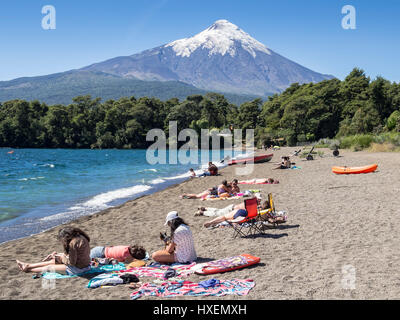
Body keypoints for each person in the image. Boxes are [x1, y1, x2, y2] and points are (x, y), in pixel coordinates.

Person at [16, 227, 91, 276]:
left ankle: (28, 270)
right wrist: (60, 256)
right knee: (53, 260)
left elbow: (72, 262)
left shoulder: (72, 243)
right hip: (85, 264)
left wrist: (62, 257)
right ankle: (28, 265)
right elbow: (77, 254)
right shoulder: (81, 237)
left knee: (49, 267)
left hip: (79, 269)